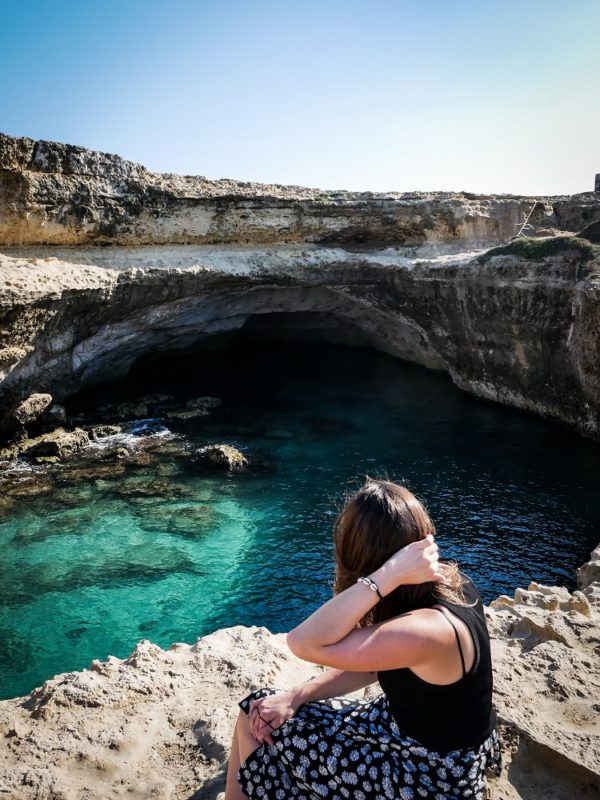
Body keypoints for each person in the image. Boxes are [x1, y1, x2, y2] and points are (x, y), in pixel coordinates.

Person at [224, 477, 503, 799]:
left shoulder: (424, 629)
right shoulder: (450, 584)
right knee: (264, 710)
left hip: (428, 773)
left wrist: (384, 576)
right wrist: (295, 696)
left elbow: (303, 643)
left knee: (254, 719)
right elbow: (376, 662)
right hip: (417, 734)